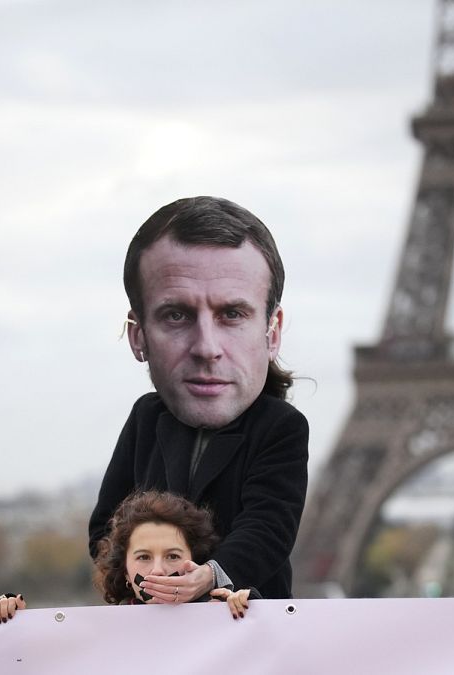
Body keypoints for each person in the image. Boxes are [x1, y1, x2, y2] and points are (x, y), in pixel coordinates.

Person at [88, 196, 308, 602]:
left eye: (232, 314)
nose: (207, 348)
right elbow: (106, 529)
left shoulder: (280, 428)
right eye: (176, 315)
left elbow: (269, 529)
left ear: (272, 332)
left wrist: (209, 577)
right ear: (138, 336)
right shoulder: (145, 419)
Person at [0, 491, 257, 622]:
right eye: (143, 557)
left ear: (195, 561)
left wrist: (251, 606)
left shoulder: (221, 613)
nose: (158, 571)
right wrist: (6, 618)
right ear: (125, 571)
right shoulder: (102, 630)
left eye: (173, 556)